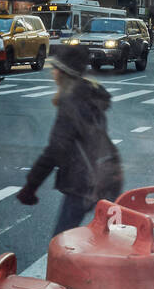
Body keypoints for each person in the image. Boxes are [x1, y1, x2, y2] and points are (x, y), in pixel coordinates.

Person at [17, 43, 122, 236]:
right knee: (98, 239)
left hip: (87, 180)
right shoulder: (89, 94)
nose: (52, 73)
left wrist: (31, 186)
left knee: (62, 242)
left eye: (55, 69)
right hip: (107, 173)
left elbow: (56, 149)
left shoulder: (72, 101)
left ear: (64, 73)